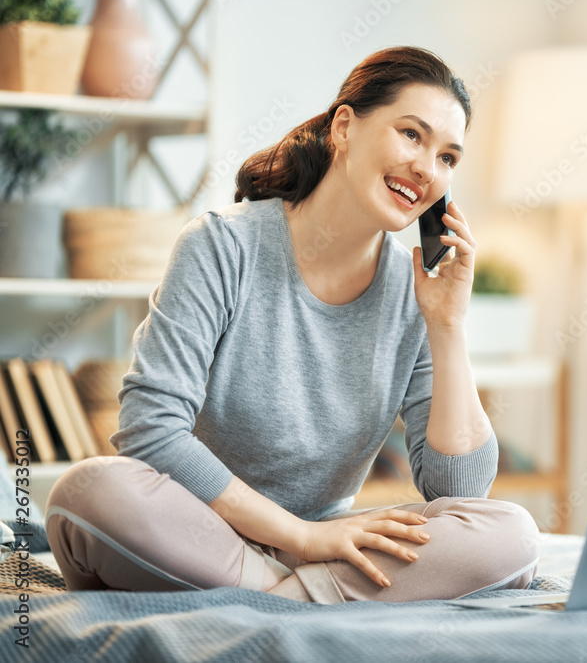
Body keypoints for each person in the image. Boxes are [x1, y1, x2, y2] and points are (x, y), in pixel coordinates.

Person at [44, 46, 541, 604]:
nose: (428, 168)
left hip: (319, 552)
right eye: (411, 135)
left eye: (448, 158)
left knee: (512, 534)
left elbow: (459, 492)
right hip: (205, 529)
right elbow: (150, 429)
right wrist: (306, 538)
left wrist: (447, 325)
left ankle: (278, 597)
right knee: (87, 492)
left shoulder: (416, 292)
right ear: (345, 127)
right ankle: (304, 596)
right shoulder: (222, 245)